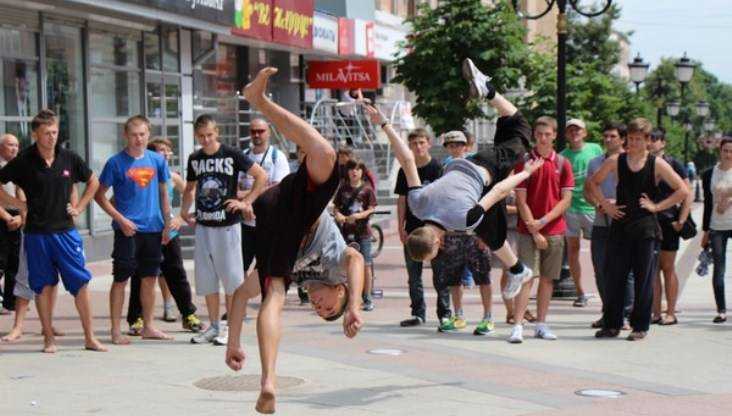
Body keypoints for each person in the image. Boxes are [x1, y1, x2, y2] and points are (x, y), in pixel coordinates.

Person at [224, 67, 362, 414]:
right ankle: (259, 100)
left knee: (273, 294)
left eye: (318, 311)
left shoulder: (297, 277)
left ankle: (268, 382)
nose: (318, 305)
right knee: (326, 155)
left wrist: (233, 343)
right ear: (340, 290)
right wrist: (355, 307)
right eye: (328, 306)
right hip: (297, 209)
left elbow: (240, 295)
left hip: (273, 219)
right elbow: (357, 259)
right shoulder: (335, 270)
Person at [371, 58, 541, 303]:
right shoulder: (416, 204)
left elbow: (499, 191)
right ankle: (517, 269)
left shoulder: (463, 220)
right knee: (489, 232)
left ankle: (487, 89)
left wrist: (526, 173)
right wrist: (385, 124)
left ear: (437, 242)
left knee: (519, 126)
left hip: (489, 169)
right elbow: (407, 160)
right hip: (472, 176)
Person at [0, 109, 106, 353]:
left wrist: (80, 207)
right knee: (43, 287)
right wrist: (18, 205)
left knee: (80, 284)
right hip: (36, 234)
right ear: (35, 134)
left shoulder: (69, 157)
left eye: (55, 132)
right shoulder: (24, 160)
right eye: (47, 133)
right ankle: (48, 339)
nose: (52, 137)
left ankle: (90, 338)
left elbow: (93, 181)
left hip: (66, 232)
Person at [588, 118, 688, 341]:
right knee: (614, 276)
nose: (633, 143)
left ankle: (640, 326)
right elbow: (593, 183)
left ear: (648, 140)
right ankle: (611, 324)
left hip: (645, 228)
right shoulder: (616, 160)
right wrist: (606, 206)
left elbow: (682, 190)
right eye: (631, 138)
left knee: (644, 279)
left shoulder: (657, 164)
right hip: (620, 226)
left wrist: (657, 207)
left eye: (638, 139)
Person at [181, 114, 267, 346]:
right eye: (201, 136)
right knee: (207, 280)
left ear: (216, 132)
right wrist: (184, 211)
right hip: (204, 226)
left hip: (227, 226)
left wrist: (246, 202)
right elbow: (190, 187)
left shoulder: (231, 154)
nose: (206, 140)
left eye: (209, 135)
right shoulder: (195, 158)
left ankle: (230, 327)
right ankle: (213, 326)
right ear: (196, 136)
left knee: (232, 280)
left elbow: (261, 176)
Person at [95, 115, 173, 344]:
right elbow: (99, 196)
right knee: (121, 279)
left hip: (153, 229)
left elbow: (164, 194)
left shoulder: (158, 160)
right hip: (127, 231)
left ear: (148, 135)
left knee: (150, 278)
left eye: (142, 134)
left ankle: (148, 326)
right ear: (125, 136)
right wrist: (120, 220)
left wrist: (167, 224)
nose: (138, 139)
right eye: (134, 135)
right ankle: (115, 330)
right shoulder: (115, 163)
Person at [125, 138, 203, 335]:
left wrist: (180, 217)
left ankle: (188, 315)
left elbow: (191, 193)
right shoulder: (141, 174)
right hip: (145, 232)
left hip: (169, 231)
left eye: (168, 150)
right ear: (152, 155)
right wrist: (126, 220)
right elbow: (116, 199)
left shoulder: (173, 176)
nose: (166, 154)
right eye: (161, 150)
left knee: (176, 273)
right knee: (140, 276)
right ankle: (136, 319)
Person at [509, 116, 574, 343]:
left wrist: (544, 221)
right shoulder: (525, 161)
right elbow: (521, 200)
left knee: (547, 279)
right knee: (526, 278)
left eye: (547, 134)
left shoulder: (562, 163)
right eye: (539, 134)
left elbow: (566, 200)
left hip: (554, 229)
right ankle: (517, 325)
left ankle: (541, 324)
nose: (543, 138)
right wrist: (535, 230)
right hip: (528, 230)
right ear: (534, 136)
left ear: (555, 135)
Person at [434, 130, 493, 334]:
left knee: (483, 277)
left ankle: (488, 317)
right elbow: (440, 201)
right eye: (451, 145)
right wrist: (440, 232)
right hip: (453, 232)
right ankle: (459, 316)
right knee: (453, 278)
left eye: (459, 145)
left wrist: (485, 233)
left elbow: (488, 199)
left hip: (475, 232)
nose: (455, 149)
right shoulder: (445, 169)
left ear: (466, 146)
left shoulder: (478, 168)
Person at [393, 127, 450, 327]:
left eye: (421, 142)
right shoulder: (405, 170)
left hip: (435, 230)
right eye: (414, 143)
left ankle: (445, 313)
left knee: (440, 274)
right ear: (409, 146)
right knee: (413, 275)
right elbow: (402, 199)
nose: (418, 147)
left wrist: (443, 230)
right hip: (413, 230)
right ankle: (418, 313)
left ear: (429, 144)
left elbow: (444, 199)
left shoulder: (438, 168)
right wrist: (400, 226)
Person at [237, 118, 290, 317]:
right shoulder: (242, 156)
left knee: (266, 268)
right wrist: (255, 190)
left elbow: (278, 188)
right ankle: (239, 306)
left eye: (261, 131)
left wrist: (246, 194)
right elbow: (233, 188)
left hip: (268, 223)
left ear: (268, 132)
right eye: (253, 131)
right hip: (245, 223)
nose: (257, 135)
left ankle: (267, 306)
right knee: (240, 266)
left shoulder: (277, 157)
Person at [584, 122, 634, 330]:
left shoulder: (632, 161)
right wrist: (599, 204)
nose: (608, 139)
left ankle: (627, 315)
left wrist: (616, 203)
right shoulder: (595, 162)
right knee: (601, 269)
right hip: (601, 222)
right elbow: (587, 190)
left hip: (624, 222)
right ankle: (609, 313)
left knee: (626, 271)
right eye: (605, 136)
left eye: (613, 136)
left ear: (622, 139)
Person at [647, 128, 691, 325]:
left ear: (663, 142)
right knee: (652, 268)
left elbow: (687, 192)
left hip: (668, 221)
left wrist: (681, 220)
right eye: (649, 139)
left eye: (655, 139)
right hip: (648, 221)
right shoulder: (644, 163)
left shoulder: (674, 163)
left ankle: (671, 312)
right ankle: (655, 312)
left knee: (667, 267)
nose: (651, 142)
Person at [560, 118, 603, 307]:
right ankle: (580, 292)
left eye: (577, 130)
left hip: (592, 207)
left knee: (599, 251)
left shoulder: (595, 149)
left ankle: (604, 290)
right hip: (571, 209)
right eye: (570, 130)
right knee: (573, 250)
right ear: (566, 134)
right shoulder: (562, 156)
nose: (574, 133)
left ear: (584, 132)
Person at [333, 157, 377, 311]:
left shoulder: (367, 189)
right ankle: (348, 298)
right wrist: (338, 214)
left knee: (366, 265)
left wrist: (359, 216)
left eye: (358, 169)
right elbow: (336, 207)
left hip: (363, 233)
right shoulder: (343, 189)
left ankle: (367, 298)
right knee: (346, 265)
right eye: (351, 169)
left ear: (362, 171)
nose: (354, 172)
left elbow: (372, 209)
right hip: (345, 233)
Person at [701, 138, 732, 324]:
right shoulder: (709, 174)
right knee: (719, 269)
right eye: (725, 150)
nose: (728, 154)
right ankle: (721, 310)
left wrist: (728, 202)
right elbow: (707, 204)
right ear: (720, 151)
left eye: (731, 151)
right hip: (717, 226)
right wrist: (705, 231)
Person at [0, 134, 21, 314]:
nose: (14, 148)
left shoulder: (19, 167)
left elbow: (23, 194)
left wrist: (21, 217)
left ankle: (10, 301)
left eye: (16, 145)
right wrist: (7, 217)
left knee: (14, 261)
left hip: (16, 216)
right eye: (10, 145)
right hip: (2, 215)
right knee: (1, 260)